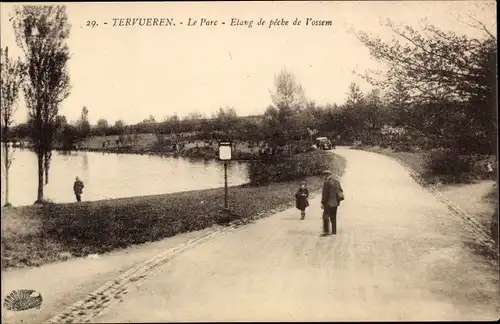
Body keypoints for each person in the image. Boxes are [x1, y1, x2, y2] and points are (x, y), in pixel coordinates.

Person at [321, 170, 344, 235]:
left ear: (326, 175)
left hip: (328, 203)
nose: (323, 177)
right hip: (335, 203)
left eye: (324, 175)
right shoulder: (337, 182)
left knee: (325, 216)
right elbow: (341, 191)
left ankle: (326, 231)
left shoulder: (326, 182)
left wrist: (323, 203)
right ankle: (334, 231)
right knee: (333, 217)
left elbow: (325, 194)